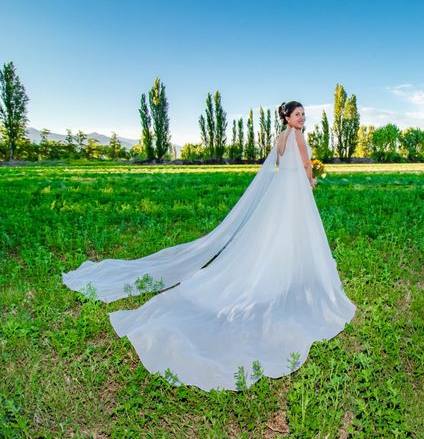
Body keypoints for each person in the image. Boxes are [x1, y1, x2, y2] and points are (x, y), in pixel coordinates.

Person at [61, 100, 356, 391]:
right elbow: (304, 165)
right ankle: (288, 276)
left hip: (281, 191)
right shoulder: (299, 138)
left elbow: (279, 163)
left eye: (304, 114)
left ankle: (283, 271)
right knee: (294, 233)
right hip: (295, 193)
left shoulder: (280, 138)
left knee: (275, 233)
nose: (302, 118)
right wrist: (313, 178)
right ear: (287, 118)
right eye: (298, 114)